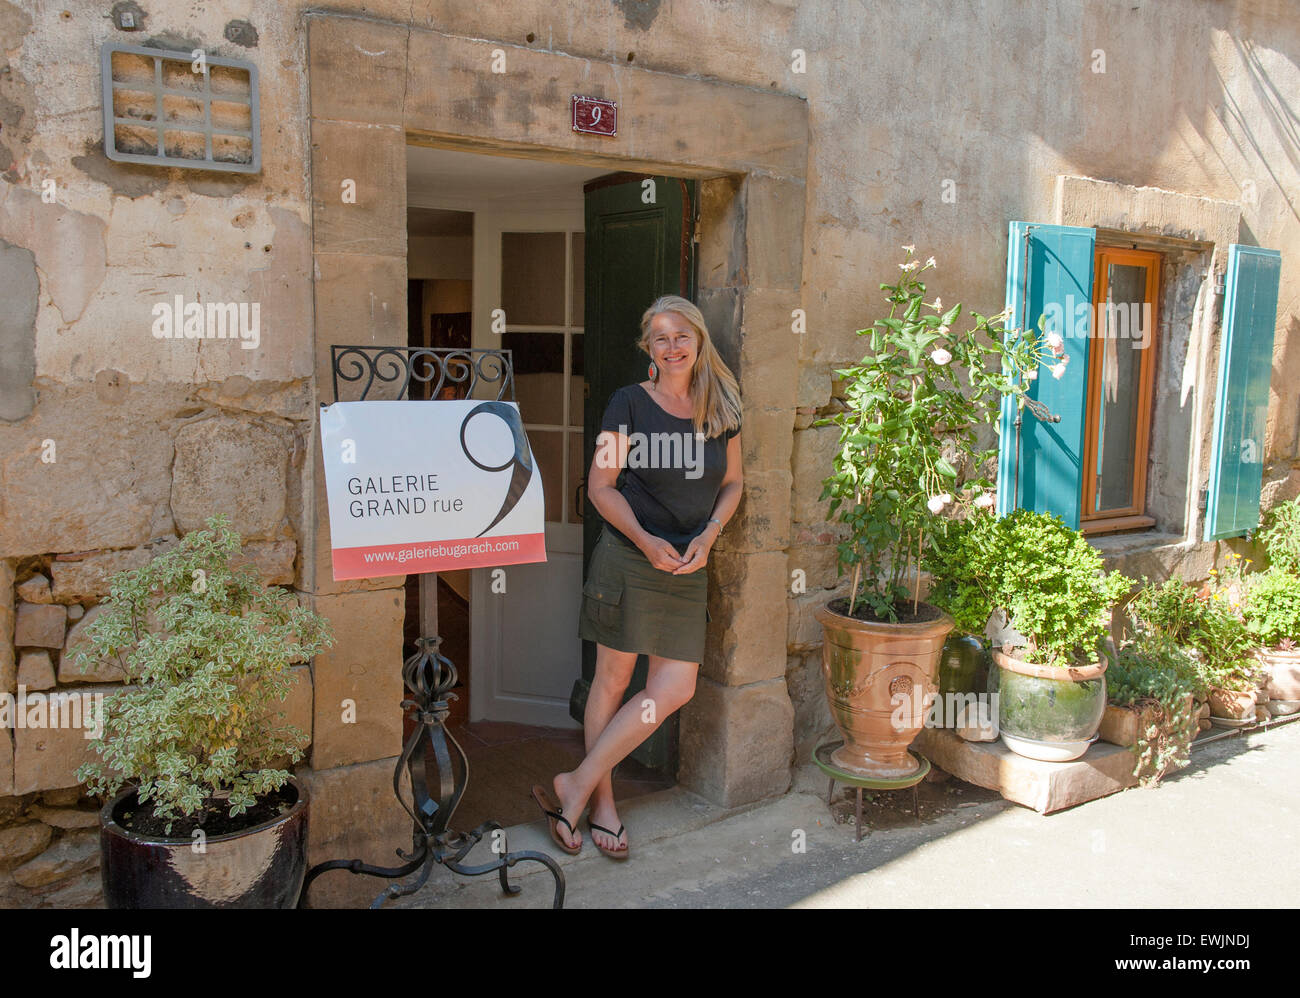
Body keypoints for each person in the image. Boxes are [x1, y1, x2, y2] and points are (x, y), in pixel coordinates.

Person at [532, 294, 743, 859]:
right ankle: (601, 803)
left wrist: (709, 535)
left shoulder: (722, 406)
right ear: (648, 348)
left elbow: (733, 484)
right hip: (630, 558)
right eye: (660, 338)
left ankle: (574, 781)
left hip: (687, 563)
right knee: (612, 682)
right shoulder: (628, 403)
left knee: (674, 687)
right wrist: (647, 541)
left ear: (699, 342)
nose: (672, 347)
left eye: (681, 336)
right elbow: (601, 486)